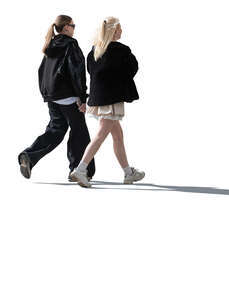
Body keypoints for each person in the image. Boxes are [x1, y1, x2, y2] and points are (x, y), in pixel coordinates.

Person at [18, 15, 95, 181]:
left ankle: (29, 156)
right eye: (73, 26)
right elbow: (77, 72)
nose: (75, 29)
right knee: (80, 134)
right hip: (69, 98)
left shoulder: (50, 44)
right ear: (66, 27)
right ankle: (80, 170)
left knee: (56, 131)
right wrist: (82, 97)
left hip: (53, 97)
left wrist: (47, 94)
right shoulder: (70, 44)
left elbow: (41, 71)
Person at [70, 16, 144, 188]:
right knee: (102, 134)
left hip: (98, 98)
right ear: (113, 30)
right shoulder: (122, 50)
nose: (121, 31)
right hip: (113, 98)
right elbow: (133, 69)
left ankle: (128, 173)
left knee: (118, 136)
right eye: (119, 29)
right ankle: (81, 169)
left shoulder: (94, 51)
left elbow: (91, 72)